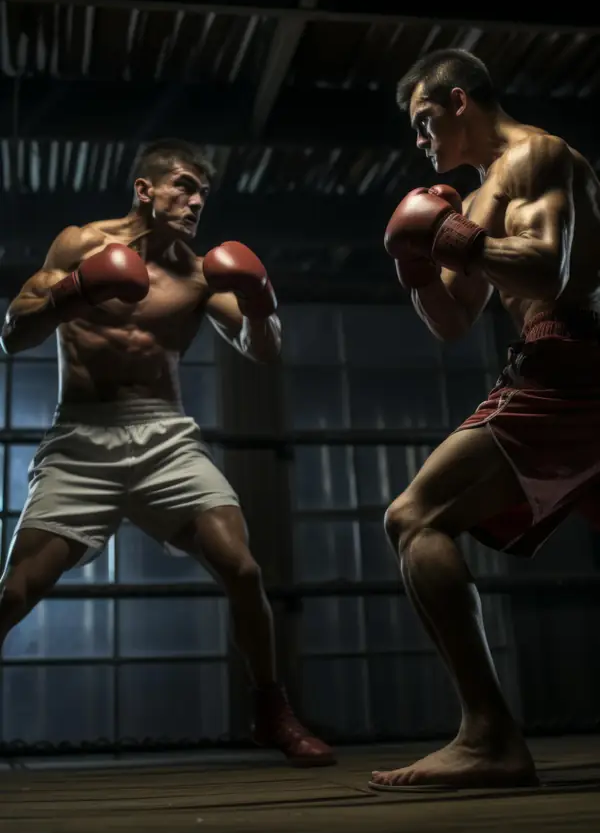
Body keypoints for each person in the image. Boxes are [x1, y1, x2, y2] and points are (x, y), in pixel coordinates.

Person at [0, 137, 334, 768]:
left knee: (242, 569)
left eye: (203, 191)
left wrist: (262, 300)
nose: (197, 200)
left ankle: (272, 710)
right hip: (81, 438)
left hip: (164, 437)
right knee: (13, 594)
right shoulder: (80, 244)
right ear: (144, 190)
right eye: (184, 185)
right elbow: (13, 335)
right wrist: (76, 289)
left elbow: (264, 349)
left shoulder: (205, 270)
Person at [370, 48, 600, 791]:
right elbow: (453, 317)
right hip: (571, 371)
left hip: (572, 365)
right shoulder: (474, 200)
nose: (420, 140)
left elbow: (550, 272)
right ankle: (489, 734)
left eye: (424, 121)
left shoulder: (538, 155)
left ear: (459, 100)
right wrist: (414, 266)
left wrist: (449, 240)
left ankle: (489, 735)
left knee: (415, 517)